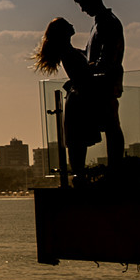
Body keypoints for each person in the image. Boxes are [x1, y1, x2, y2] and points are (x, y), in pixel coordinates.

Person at [31, 17, 104, 181]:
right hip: (79, 101)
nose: (72, 25)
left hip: (78, 100)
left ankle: (79, 175)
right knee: (78, 143)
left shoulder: (70, 52)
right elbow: (82, 74)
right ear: (63, 32)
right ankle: (78, 176)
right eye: (67, 24)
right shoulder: (68, 52)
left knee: (78, 142)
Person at [74, 0, 125, 169]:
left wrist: (88, 69)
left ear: (93, 1)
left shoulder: (107, 23)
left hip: (105, 83)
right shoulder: (99, 24)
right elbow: (93, 56)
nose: (83, 10)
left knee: (111, 127)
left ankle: (115, 169)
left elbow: (107, 57)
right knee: (110, 127)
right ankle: (115, 168)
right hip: (102, 82)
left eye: (83, 5)